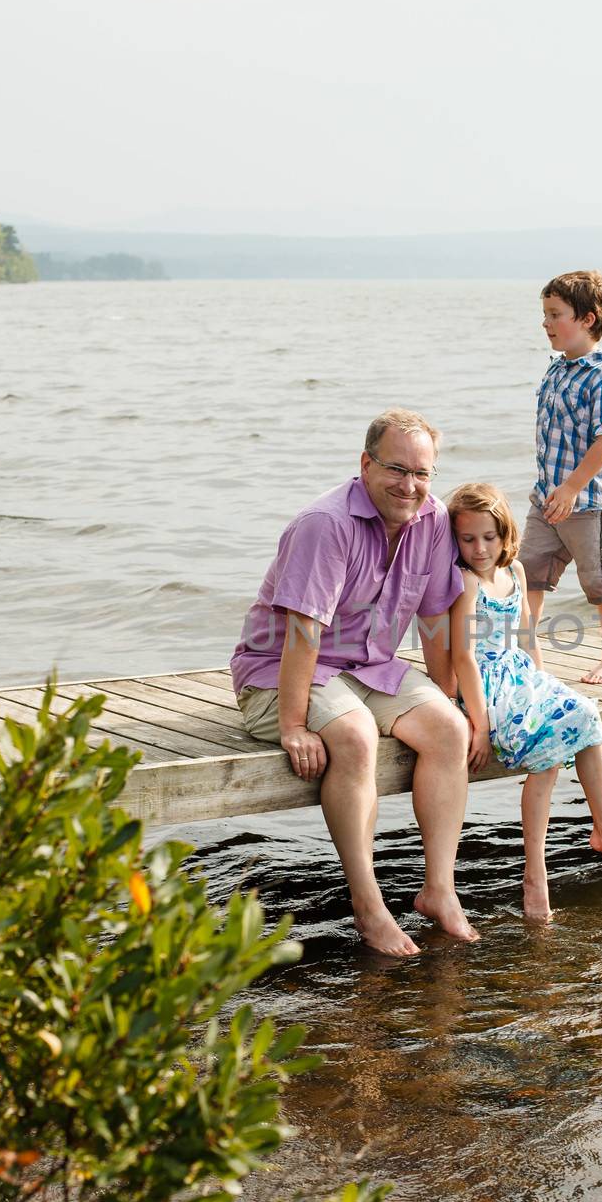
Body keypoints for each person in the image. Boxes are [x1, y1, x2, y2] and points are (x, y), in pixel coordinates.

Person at [230, 409, 478, 958]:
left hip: (369, 667)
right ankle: (369, 907)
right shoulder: (326, 525)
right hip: (279, 671)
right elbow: (301, 632)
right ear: (365, 464)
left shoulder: (433, 520)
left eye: (422, 473)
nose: (410, 486)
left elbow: (434, 620)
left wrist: (447, 696)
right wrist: (293, 725)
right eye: (396, 469)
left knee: (448, 730)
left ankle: (440, 890)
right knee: (357, 736)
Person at [447, 482, 602, 920]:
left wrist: (543, 682)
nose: (479, 548)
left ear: (504, 534)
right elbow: (463, 657)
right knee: (547, 755)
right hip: (486, 687)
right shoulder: (466, 582)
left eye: (488, 538)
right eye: (468, 539)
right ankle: (535, 872)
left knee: (585, 715)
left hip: (519, 674)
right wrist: (481, 725)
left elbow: (527, 638)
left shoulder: (515, 573)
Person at [522, 268, 602, 684]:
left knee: (599, 577)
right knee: (528, 571)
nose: (546, 322)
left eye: (555, 314)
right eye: (545, 313)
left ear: (587, 319)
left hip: (590, 499)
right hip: (548, 495)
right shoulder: (556, 368)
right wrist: (554, 488)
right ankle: (528, 656)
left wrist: (572, 487)